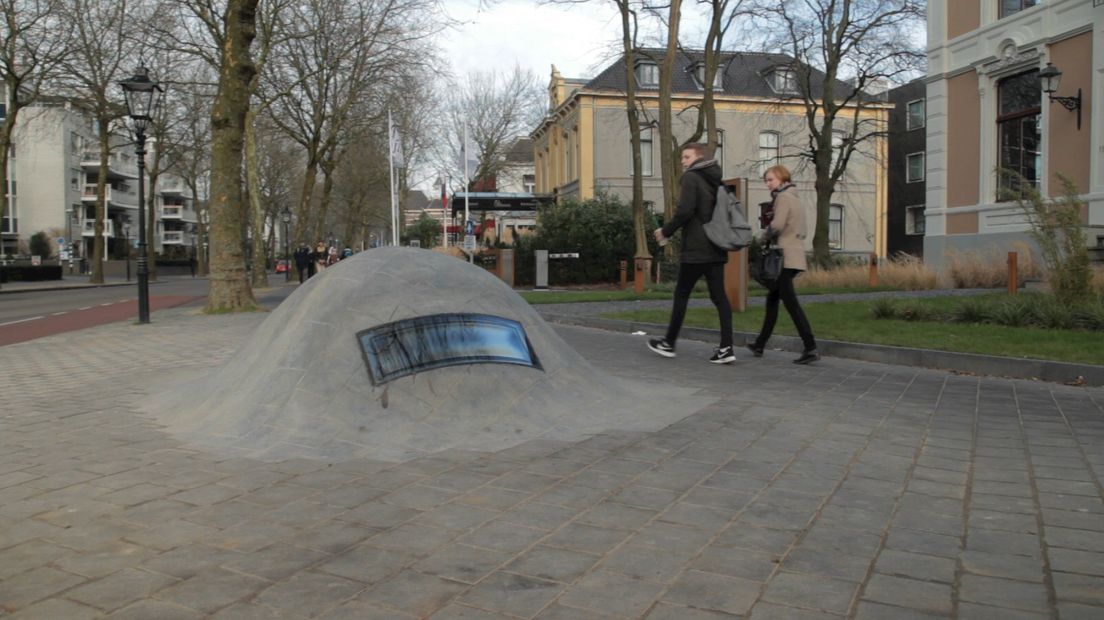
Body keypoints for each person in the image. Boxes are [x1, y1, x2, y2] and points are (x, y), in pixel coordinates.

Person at [647, 142, 735, 364]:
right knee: (720, 297)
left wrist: (665, 231)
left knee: (682, 294)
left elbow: (685, 210)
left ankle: (669, 343)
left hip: (697, 248)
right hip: (716, 246)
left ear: (698, 157)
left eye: (686, 157)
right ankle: (727, 348)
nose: (683, 161)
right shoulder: (717, 180)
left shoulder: (691, 177)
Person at [747, 164, 819, 364]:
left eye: (770, 180)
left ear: (781, 178)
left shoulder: (782, 197)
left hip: (784, 258)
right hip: (794, 255)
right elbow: (801, 227)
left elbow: (777, 225)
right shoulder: (794, 197)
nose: (768, 184)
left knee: (791, 303)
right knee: (773, 300)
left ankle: (810, 347)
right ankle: (760, 343)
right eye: (766, 180)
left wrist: (764, 236)